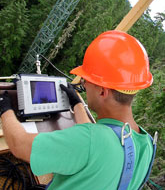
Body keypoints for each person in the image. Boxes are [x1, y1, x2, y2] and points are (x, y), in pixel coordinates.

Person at [0, 30, 156, 190]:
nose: (83, 84)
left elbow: (20, 145)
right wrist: (77, 103)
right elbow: (96, 139)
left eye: (86, 80)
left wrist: (5, 109)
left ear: (103, 91)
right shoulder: (146, 145)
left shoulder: (88, 141)